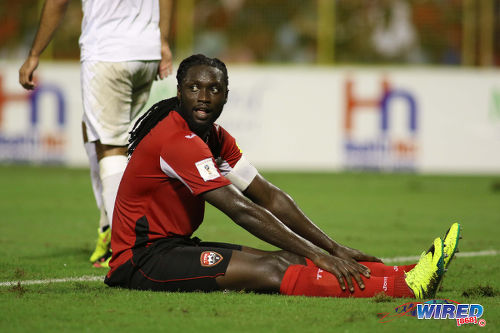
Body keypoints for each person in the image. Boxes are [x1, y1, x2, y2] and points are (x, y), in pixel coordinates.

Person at [104, 54, 461, 298]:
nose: (203, 97)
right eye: (194, 87)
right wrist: (320, 254)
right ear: (179, 90)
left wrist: (331, 247)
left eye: (214, 89)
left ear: (226, 96)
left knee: (291, 259)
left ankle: (411, 274)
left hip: (173, 246)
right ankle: (401, 289)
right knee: (275, 267)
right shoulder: (176, 140)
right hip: (141, 261)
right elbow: (240, 209)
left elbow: (268, 196)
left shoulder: (215, 137)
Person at [18, 0, 173, 268]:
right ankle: (108, 224)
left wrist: (34, 54)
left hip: (108, 50)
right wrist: (162, 40)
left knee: (111, 147)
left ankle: (126, 247)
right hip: (146, 52)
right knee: (98, 130)